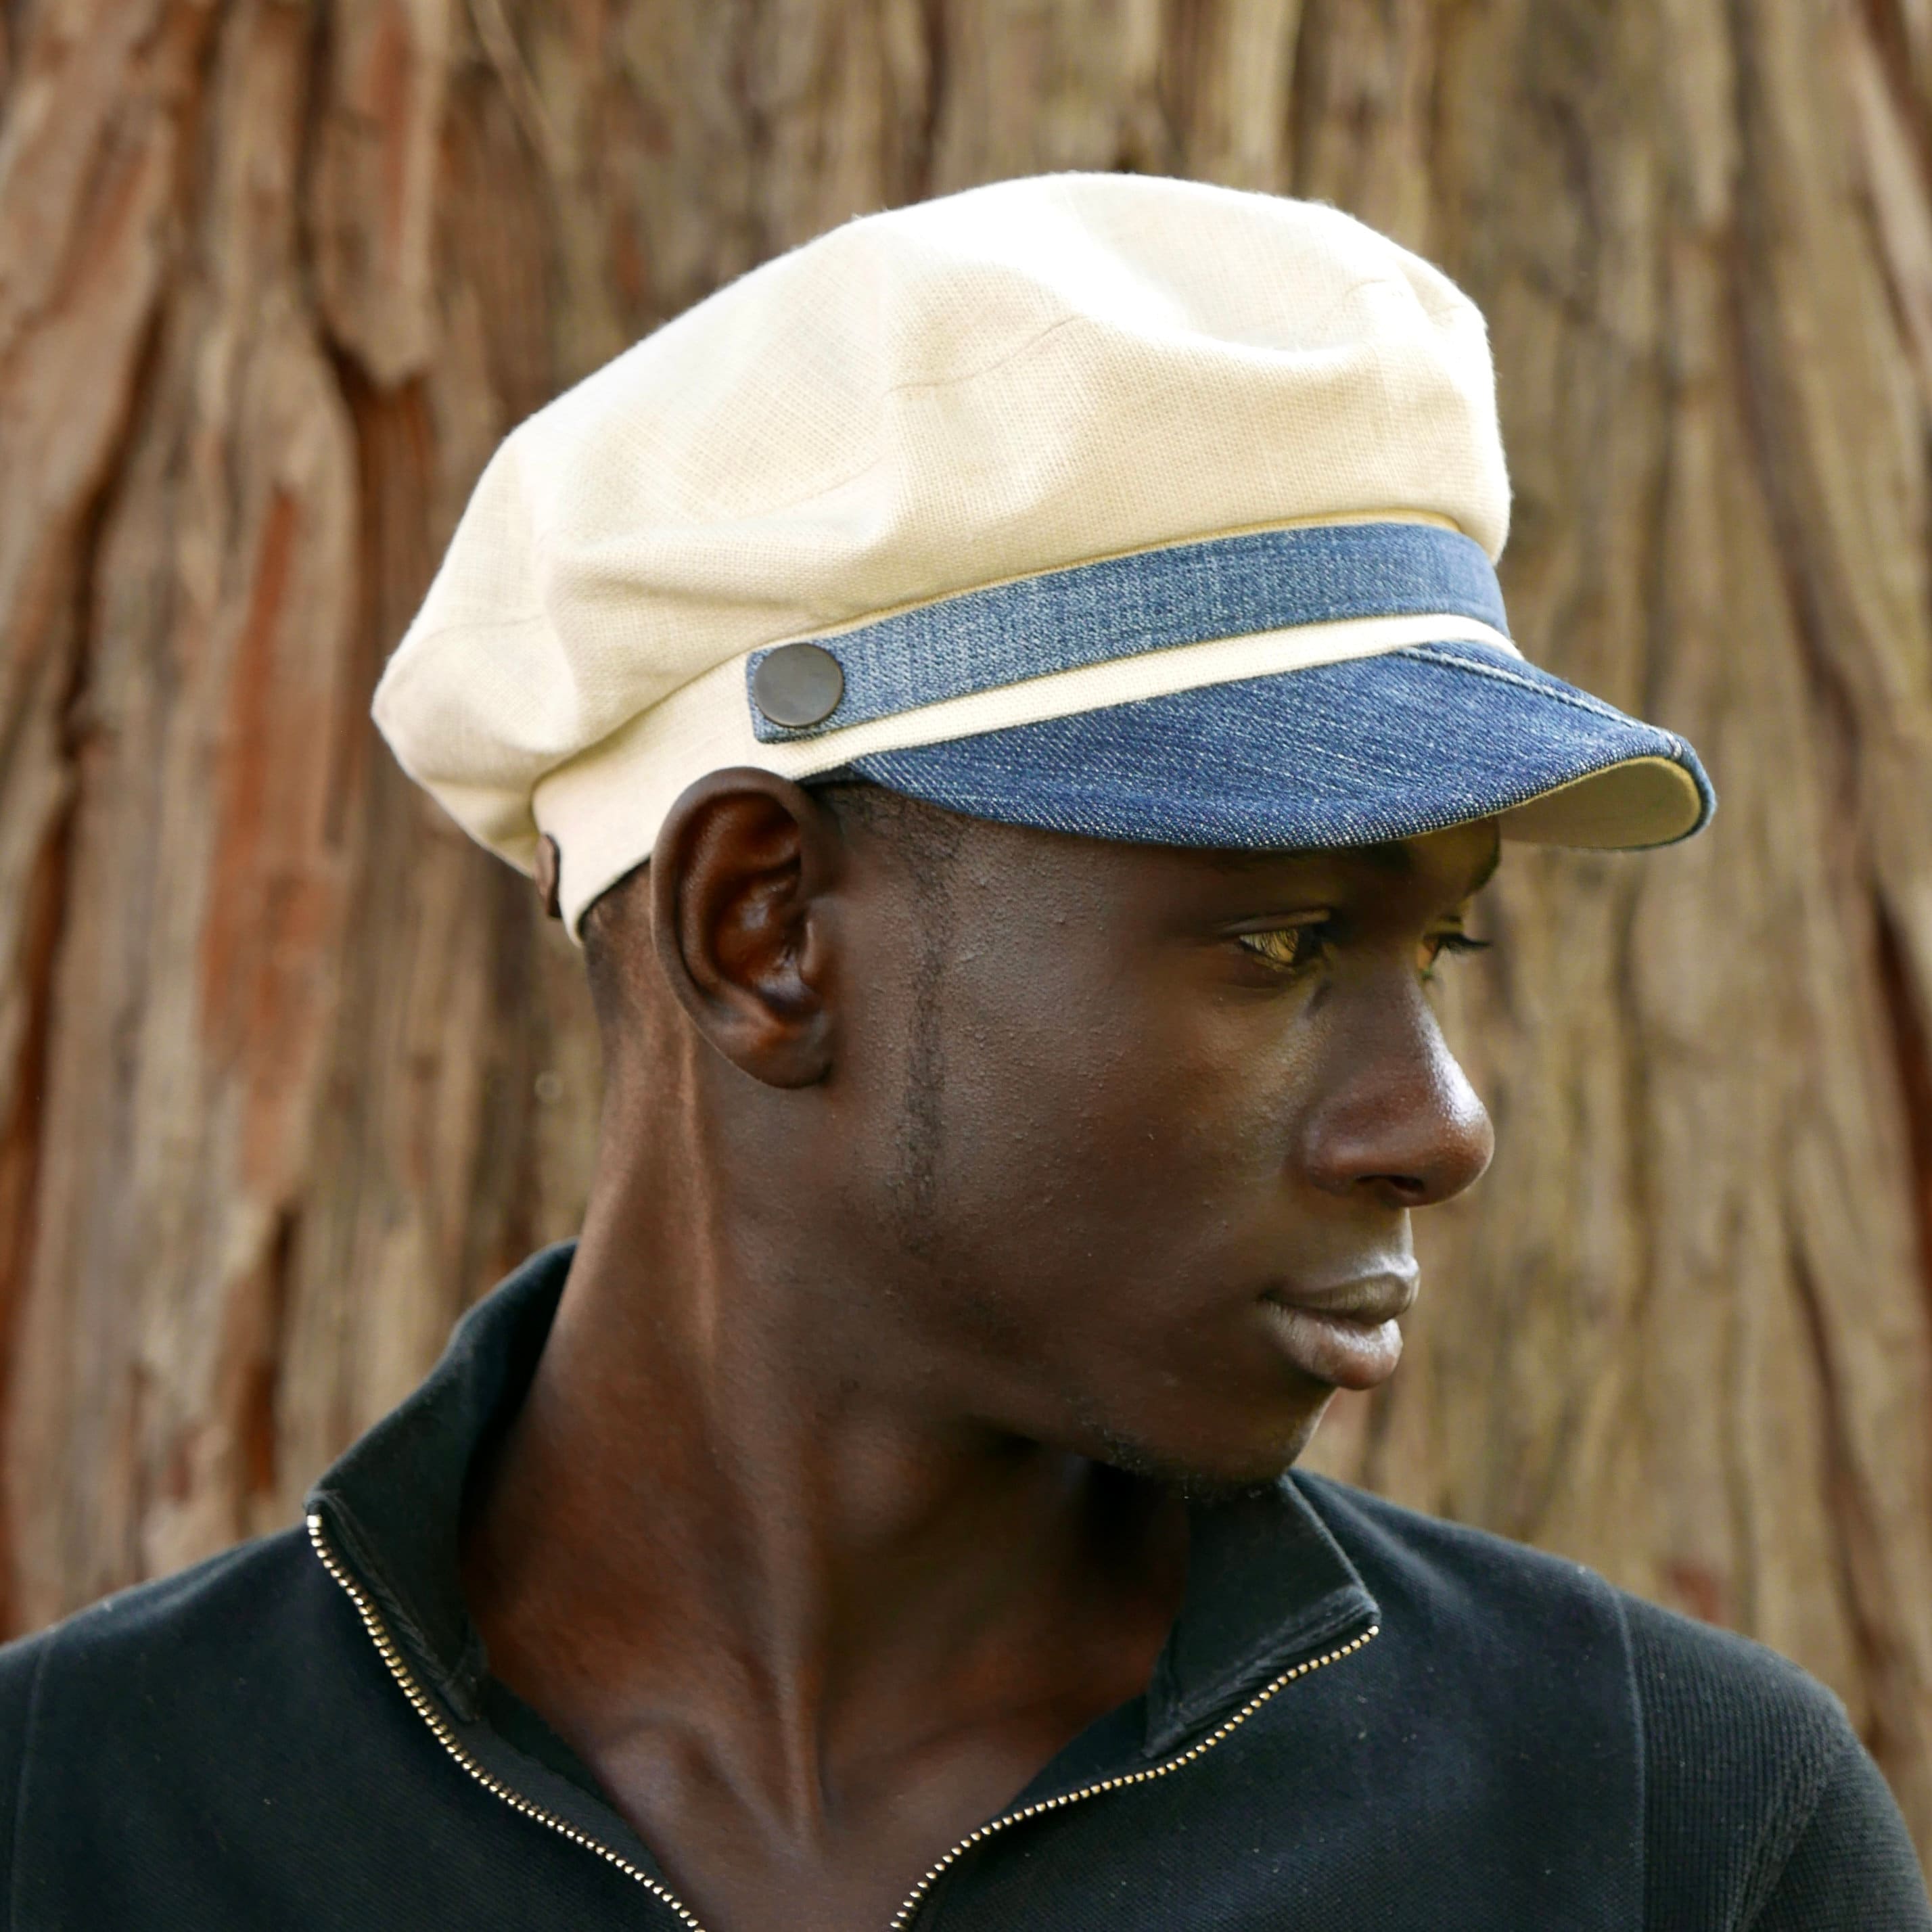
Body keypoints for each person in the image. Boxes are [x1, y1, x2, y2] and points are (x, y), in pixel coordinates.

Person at [0, 174, 1924, 1932]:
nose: (1438, 1125)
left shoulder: (1668, 1834)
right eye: (1279, 941)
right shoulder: (73, 1823)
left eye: (1442, 943)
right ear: (763, 928)